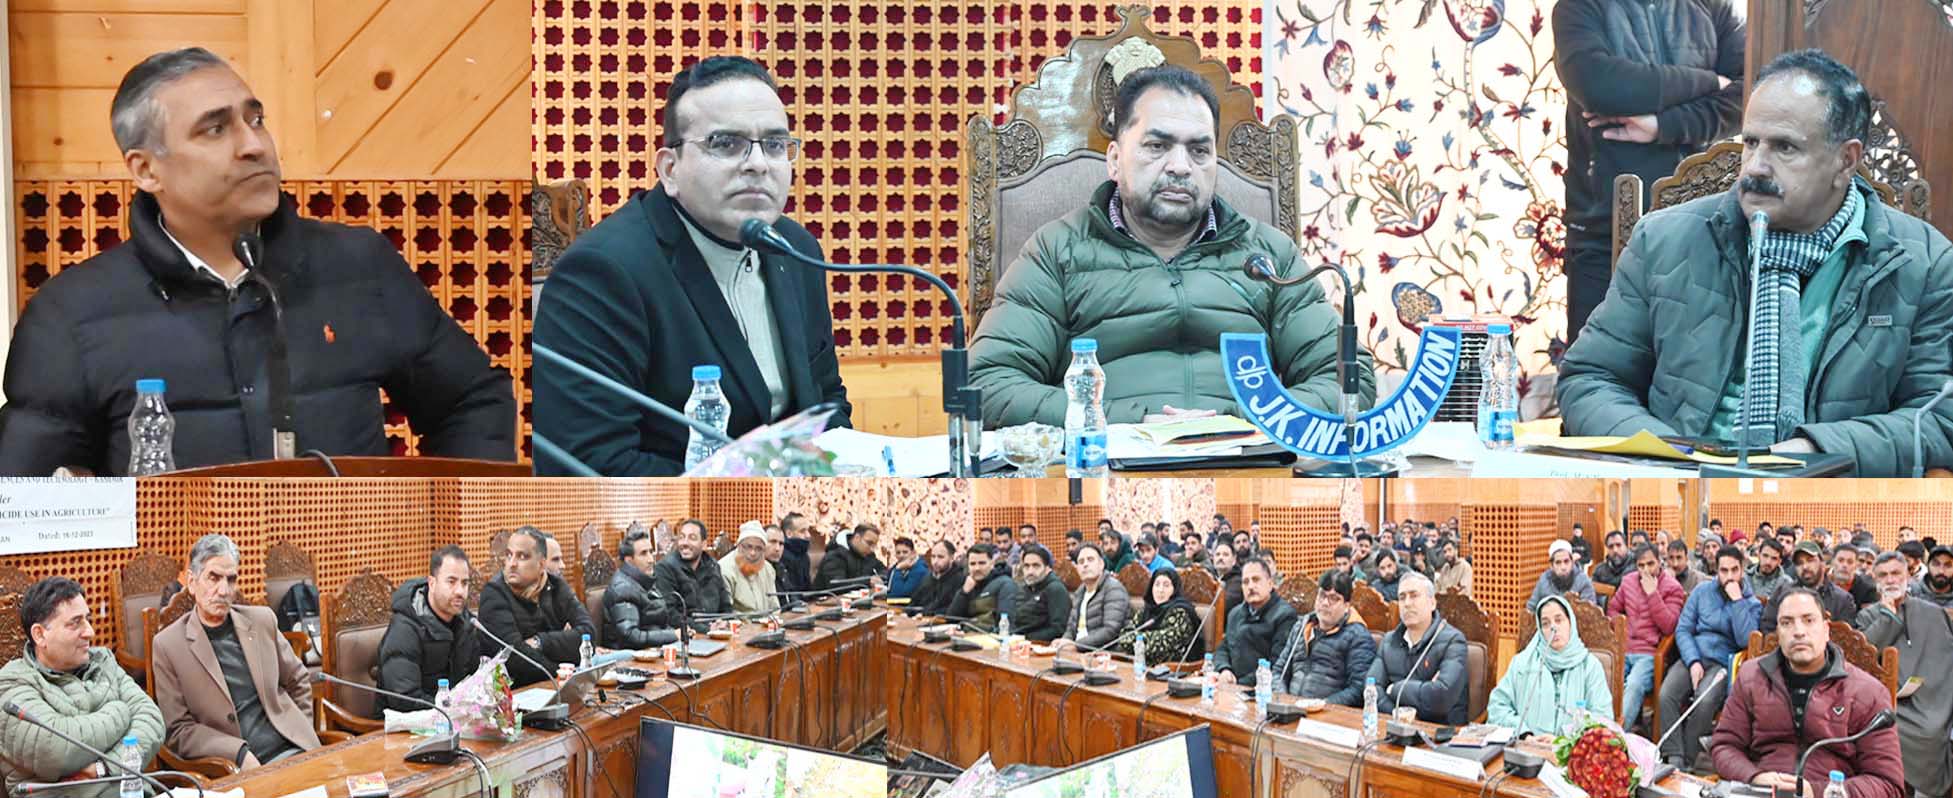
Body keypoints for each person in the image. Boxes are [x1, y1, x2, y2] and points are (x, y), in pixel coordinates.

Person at [0, 48, 516, 476]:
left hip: (354, 579)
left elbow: (471, 402)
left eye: (256, 119)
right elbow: (28, 496)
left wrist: (447, 540)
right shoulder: (70, 314)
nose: (254, 146)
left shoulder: (359, 267)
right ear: (146, 169)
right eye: (215, 129)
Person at [1557, 49, 1953, 476]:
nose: (1756, 166)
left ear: (1846, 160)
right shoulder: (1663, 240)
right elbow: (1590, 378)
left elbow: (1937, 418)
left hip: (1829, 497)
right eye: (1750, 142)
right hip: (1678, 489)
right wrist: (1663, 457)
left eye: (1784, 147)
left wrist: (1817, 450)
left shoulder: (1923, 263)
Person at [968, 64, 1374, 428]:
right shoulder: (1058, 251)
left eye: (1199, 150)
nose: (1180, 167)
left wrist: (1239, 421)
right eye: (1157, 146)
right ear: (1114, 159)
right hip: (1105, 466)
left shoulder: (1268, 255)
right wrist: (1125, 422)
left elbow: (1348, 380)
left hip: (1250, 463)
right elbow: (987, 384)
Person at [531, 55, 850, 475]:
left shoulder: (795, 248)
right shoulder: (602, 274)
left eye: (775, 145)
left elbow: (827, 402)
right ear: (670, 169)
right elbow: (590, 465)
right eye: (726, 143)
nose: (758, 163)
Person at [1552, 0, 1744, 345]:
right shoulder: (1578, 6)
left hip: (1700, 233)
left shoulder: (1714, 7)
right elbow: (1602, 87)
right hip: (1603, 233)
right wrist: (1711, 81)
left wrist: (1663, 125)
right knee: (1594, 373)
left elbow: (1750, 92)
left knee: (1688, 379)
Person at [1709, 588, 1905, 798]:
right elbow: (1724, 745)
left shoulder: (1868, 692)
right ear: (1778, 633)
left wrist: (1817, 791)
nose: (1798, 631)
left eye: (1808, 620)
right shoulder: (1751, 676)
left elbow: (1887, 783)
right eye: (1787, 623)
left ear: (1826, 630)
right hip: (1760, 790)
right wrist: (1754, 777)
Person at [153, 534, 320, 767]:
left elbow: (298, 678)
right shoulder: (168, 645)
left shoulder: (262, 621)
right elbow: (179, 730)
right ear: (192, 582)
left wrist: (300, 730)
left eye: (231, 580)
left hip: (294, 750)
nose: (223, 590)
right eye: (213, 578)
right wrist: (238, 754)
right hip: (236, 764)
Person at [0, 577, 163, 794]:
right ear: (40, 635)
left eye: (88, 619)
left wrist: (103, 767)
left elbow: (151, 719)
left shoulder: (103, 661)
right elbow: (55, 749)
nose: (90, 632)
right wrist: (120, 711)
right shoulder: (12, 683)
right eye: (75, 623)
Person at [1858, 552, 1953, 798]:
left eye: (1896, 573)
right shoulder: (1867, 616)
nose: (1890, 580)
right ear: (1875, 580)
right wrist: (1887, 618)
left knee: (1934, 730)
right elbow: (1862, 659)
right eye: (1883, 575)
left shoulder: (1934, 613)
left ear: (1908, 576)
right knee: (1895, 732)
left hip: (1939, 699)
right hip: (1893, 704)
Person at [1660, 544, 1761, 772]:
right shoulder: (1701, 592)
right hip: (1694, 654)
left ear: (1742, 569)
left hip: (1723, 662)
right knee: (1667, 693)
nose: (1729, 577)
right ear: (1716, 570)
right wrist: (1693, 661)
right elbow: (1683, 629)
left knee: (1704, 701)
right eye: (1723, 571)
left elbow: (1746, 640)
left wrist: (1738, 603)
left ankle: (1687, 760)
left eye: (1734, 570)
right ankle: (1673, 755)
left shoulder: (1751, 603)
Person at [479, 526, 598, 686]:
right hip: (517, 692)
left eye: (522, 556)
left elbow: (588, 636)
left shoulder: (556, 586)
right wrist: (560, 669)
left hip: (554, 684)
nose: (512, 564)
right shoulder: (494, 593)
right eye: (508, 555)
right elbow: (514, 657)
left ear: (541, 564)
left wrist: (540, 642)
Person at [1489, 596, 1615, 736]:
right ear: (1540, 630)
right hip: (1528, 748)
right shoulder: (1522, 663)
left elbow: (1603, 719)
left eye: (1559, 620)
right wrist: (1524, 734)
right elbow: (1497, 708)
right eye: (1546, 624)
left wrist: (1563, 742)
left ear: (1570, 623)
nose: (1553, 627)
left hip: (1573, 753)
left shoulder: (1590, 666)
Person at [376, 545, 480, 713]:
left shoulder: (466, 623)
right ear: (432, 583)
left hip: (452, 720)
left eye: (465, 583)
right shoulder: (405, 628)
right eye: (451, 582)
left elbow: (476, 678)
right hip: (402, 730)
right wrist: (453, 709)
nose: (460, 591)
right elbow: (404, 699)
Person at [1370, 572, 1471, 724]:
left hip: (1439, 735)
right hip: (1394, 726)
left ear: (1432, 603)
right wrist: (1396, 712)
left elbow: (1440, 697)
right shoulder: (1389, 641)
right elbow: (1371, 687)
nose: (1407, 603)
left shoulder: (1453, 641)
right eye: (1402, 597)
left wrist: (1394, 689)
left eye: (1414, 595)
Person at [1607, 543, 1685, 731]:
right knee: (1603, 679)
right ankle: (1595, 731)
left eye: (1651, 564)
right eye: (1641, 566)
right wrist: (1619, 627)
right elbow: (1613, 608)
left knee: (1634, 684)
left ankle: (1614, 736)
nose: (1646, 570)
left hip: (1649, 653)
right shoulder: (1628, 581)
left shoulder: (1672, 588)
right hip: (1623, 648)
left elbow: (1669, 626)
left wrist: (1653, 594)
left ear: (1660, 562)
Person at [1272, 570, 1375, 707]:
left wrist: (1322, 705)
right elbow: (1279, 670)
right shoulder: (1301, 626)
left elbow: (1358, 688)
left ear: (1346, 606)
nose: (1325, 603)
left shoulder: (1358, 636)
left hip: (1328, 715)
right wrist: (1282, 698)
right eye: (1322, 595)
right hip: (1290, 708)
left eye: (1334, 598)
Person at [1213, 558, 1298, 688]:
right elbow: (1223, 648)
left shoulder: (1285, 615)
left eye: (1256, 580)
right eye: (1245, 582)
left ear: (1270, 584)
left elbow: (1277, 665)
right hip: (1230, 685)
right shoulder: (1235, 613)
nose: (1251, 586)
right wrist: (1224, 669)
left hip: (1260, 690)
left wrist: (1239, 684)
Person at [604, 525, 681, 649]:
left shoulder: (645, 580)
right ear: (629, 561)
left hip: (655, 650)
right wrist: (672, 635)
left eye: (651, 552)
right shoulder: (622, 588)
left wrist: (680, 633)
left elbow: (660, 622)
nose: (651, 559)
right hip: (631, 657)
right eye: (643, 554)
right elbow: (630, 635)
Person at [1105, 569, 1204, 662]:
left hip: (1171, 671)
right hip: (1140, 665)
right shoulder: (1146, 611)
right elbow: (1124, 637)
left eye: (1166, 585)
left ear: (1174, 589)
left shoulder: (1181, 612)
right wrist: (1144, 641)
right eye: (1157, 585)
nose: (1160, 590)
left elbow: (1160, 645)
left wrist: (1138, 641)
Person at [1760, 541, 1857, 634]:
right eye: (1799, 563)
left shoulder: (1842, 599)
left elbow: (1845, 641)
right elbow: (1767, 627)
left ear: (1822, 563)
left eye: (1810, 560)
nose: (1805, 567)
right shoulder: (1783, 592)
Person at [653, 519, 734, 627]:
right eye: (681, 537)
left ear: (704, 544)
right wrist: (706, 629)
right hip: (685, 636)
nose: (685, 543)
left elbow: (726, 607)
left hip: (716, 634)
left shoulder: (713, 566)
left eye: (692, 538)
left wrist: (725, 622)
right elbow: (669, 614)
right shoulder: (665, 568)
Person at [1057, 544, 1131, 651]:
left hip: (1104, 653)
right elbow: (1071, 628)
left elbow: (1110, 630)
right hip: (1079, 651)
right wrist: (1063, 642)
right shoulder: (1080, 592)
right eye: (1081, 562)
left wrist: (1076, 645)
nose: (1085, 564)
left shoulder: (1113, 589)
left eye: (1090, 560)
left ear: (1101, 564)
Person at [947, 544, 1020, 632]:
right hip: (967, 636)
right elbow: (951, 619)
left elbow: (1006, 626)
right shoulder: (968, 584)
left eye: (982, 563)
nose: (977, 568)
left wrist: (968, 628)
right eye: (972, 564)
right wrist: (964, 593)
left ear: (992, 563)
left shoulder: (1005, 584)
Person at [1007, 546, 1071, 643]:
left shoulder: (1055, 589)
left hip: (1043, 647)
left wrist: (1025, 638)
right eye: (1026, 566)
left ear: (1048, 568)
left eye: (1036, 566)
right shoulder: (1025, 587)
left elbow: (1058, 629)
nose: (1030, 571)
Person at [718, 522, 780, 615]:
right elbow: (726, 612)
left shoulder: (768, 569)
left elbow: (775, 608)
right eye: (748, 547)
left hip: (766, 625)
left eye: (758, 548)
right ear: (739, 546)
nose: (753, 553)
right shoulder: (725, 569)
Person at [1530, 539, 1600, 610]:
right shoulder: (1544, 580)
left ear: (1572, 562)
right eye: (1558, 562)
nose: (1563, 567)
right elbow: (1531, 608)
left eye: (1566, 561)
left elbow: (1589, 614)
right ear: (1551, 566)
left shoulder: (1583, 581)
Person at [814, 523, 886, 592]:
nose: (872, 549)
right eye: (869, 543)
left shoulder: (868, 555)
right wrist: (867, 581)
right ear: (857, 537)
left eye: (874, 545)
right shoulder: (835, 555)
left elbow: (884, 571)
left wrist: (879, 578)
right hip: (824, 601)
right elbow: (836, 585)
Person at [1828, 544, 1879, 612]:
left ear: (1855, 565)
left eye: (1850, 562)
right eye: (1840, 560)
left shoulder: (1868, 590)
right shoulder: (1819, 583)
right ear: (1832, 562)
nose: (1845, 565)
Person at [775, 512, 814, 594]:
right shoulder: (780, 555)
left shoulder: (804, 556)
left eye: (808, 530)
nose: (808, 535)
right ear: (789, 533)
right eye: (802, 531)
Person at [1211, 542, 1245, 611]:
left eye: (1225, 555)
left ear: (1234, 560)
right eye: (1217, 554)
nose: (1220, 558)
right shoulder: (1211, 577)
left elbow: (1224, 605)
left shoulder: (1238, 581)